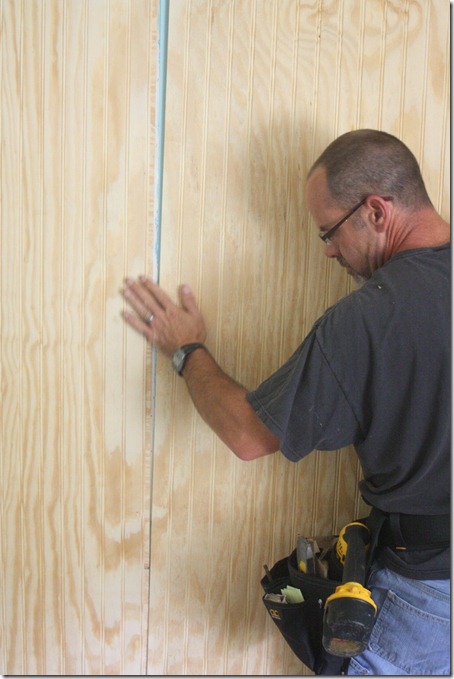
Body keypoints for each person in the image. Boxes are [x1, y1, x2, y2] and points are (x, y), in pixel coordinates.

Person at [121, 129, 450, 675]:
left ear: (375, 211)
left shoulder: (367, 321)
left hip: (425, 604)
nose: (327, 251)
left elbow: (249, 435)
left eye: (329, 231)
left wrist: (186, 350)